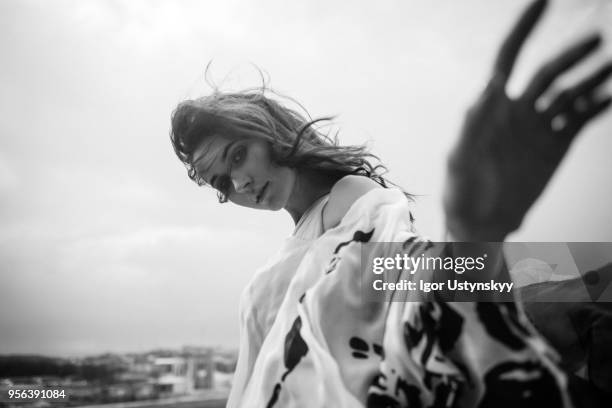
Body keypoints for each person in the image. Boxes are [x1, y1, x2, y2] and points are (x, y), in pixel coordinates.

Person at [169, 1, 610, 406]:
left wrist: (476, 233)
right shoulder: (296, 248)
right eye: (223, 183)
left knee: (585, 285)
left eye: (238, 156)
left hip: (455, 309)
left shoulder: (351, 201)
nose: (240, 184)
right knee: (575, 278)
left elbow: (412, 284)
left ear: (264, 129)